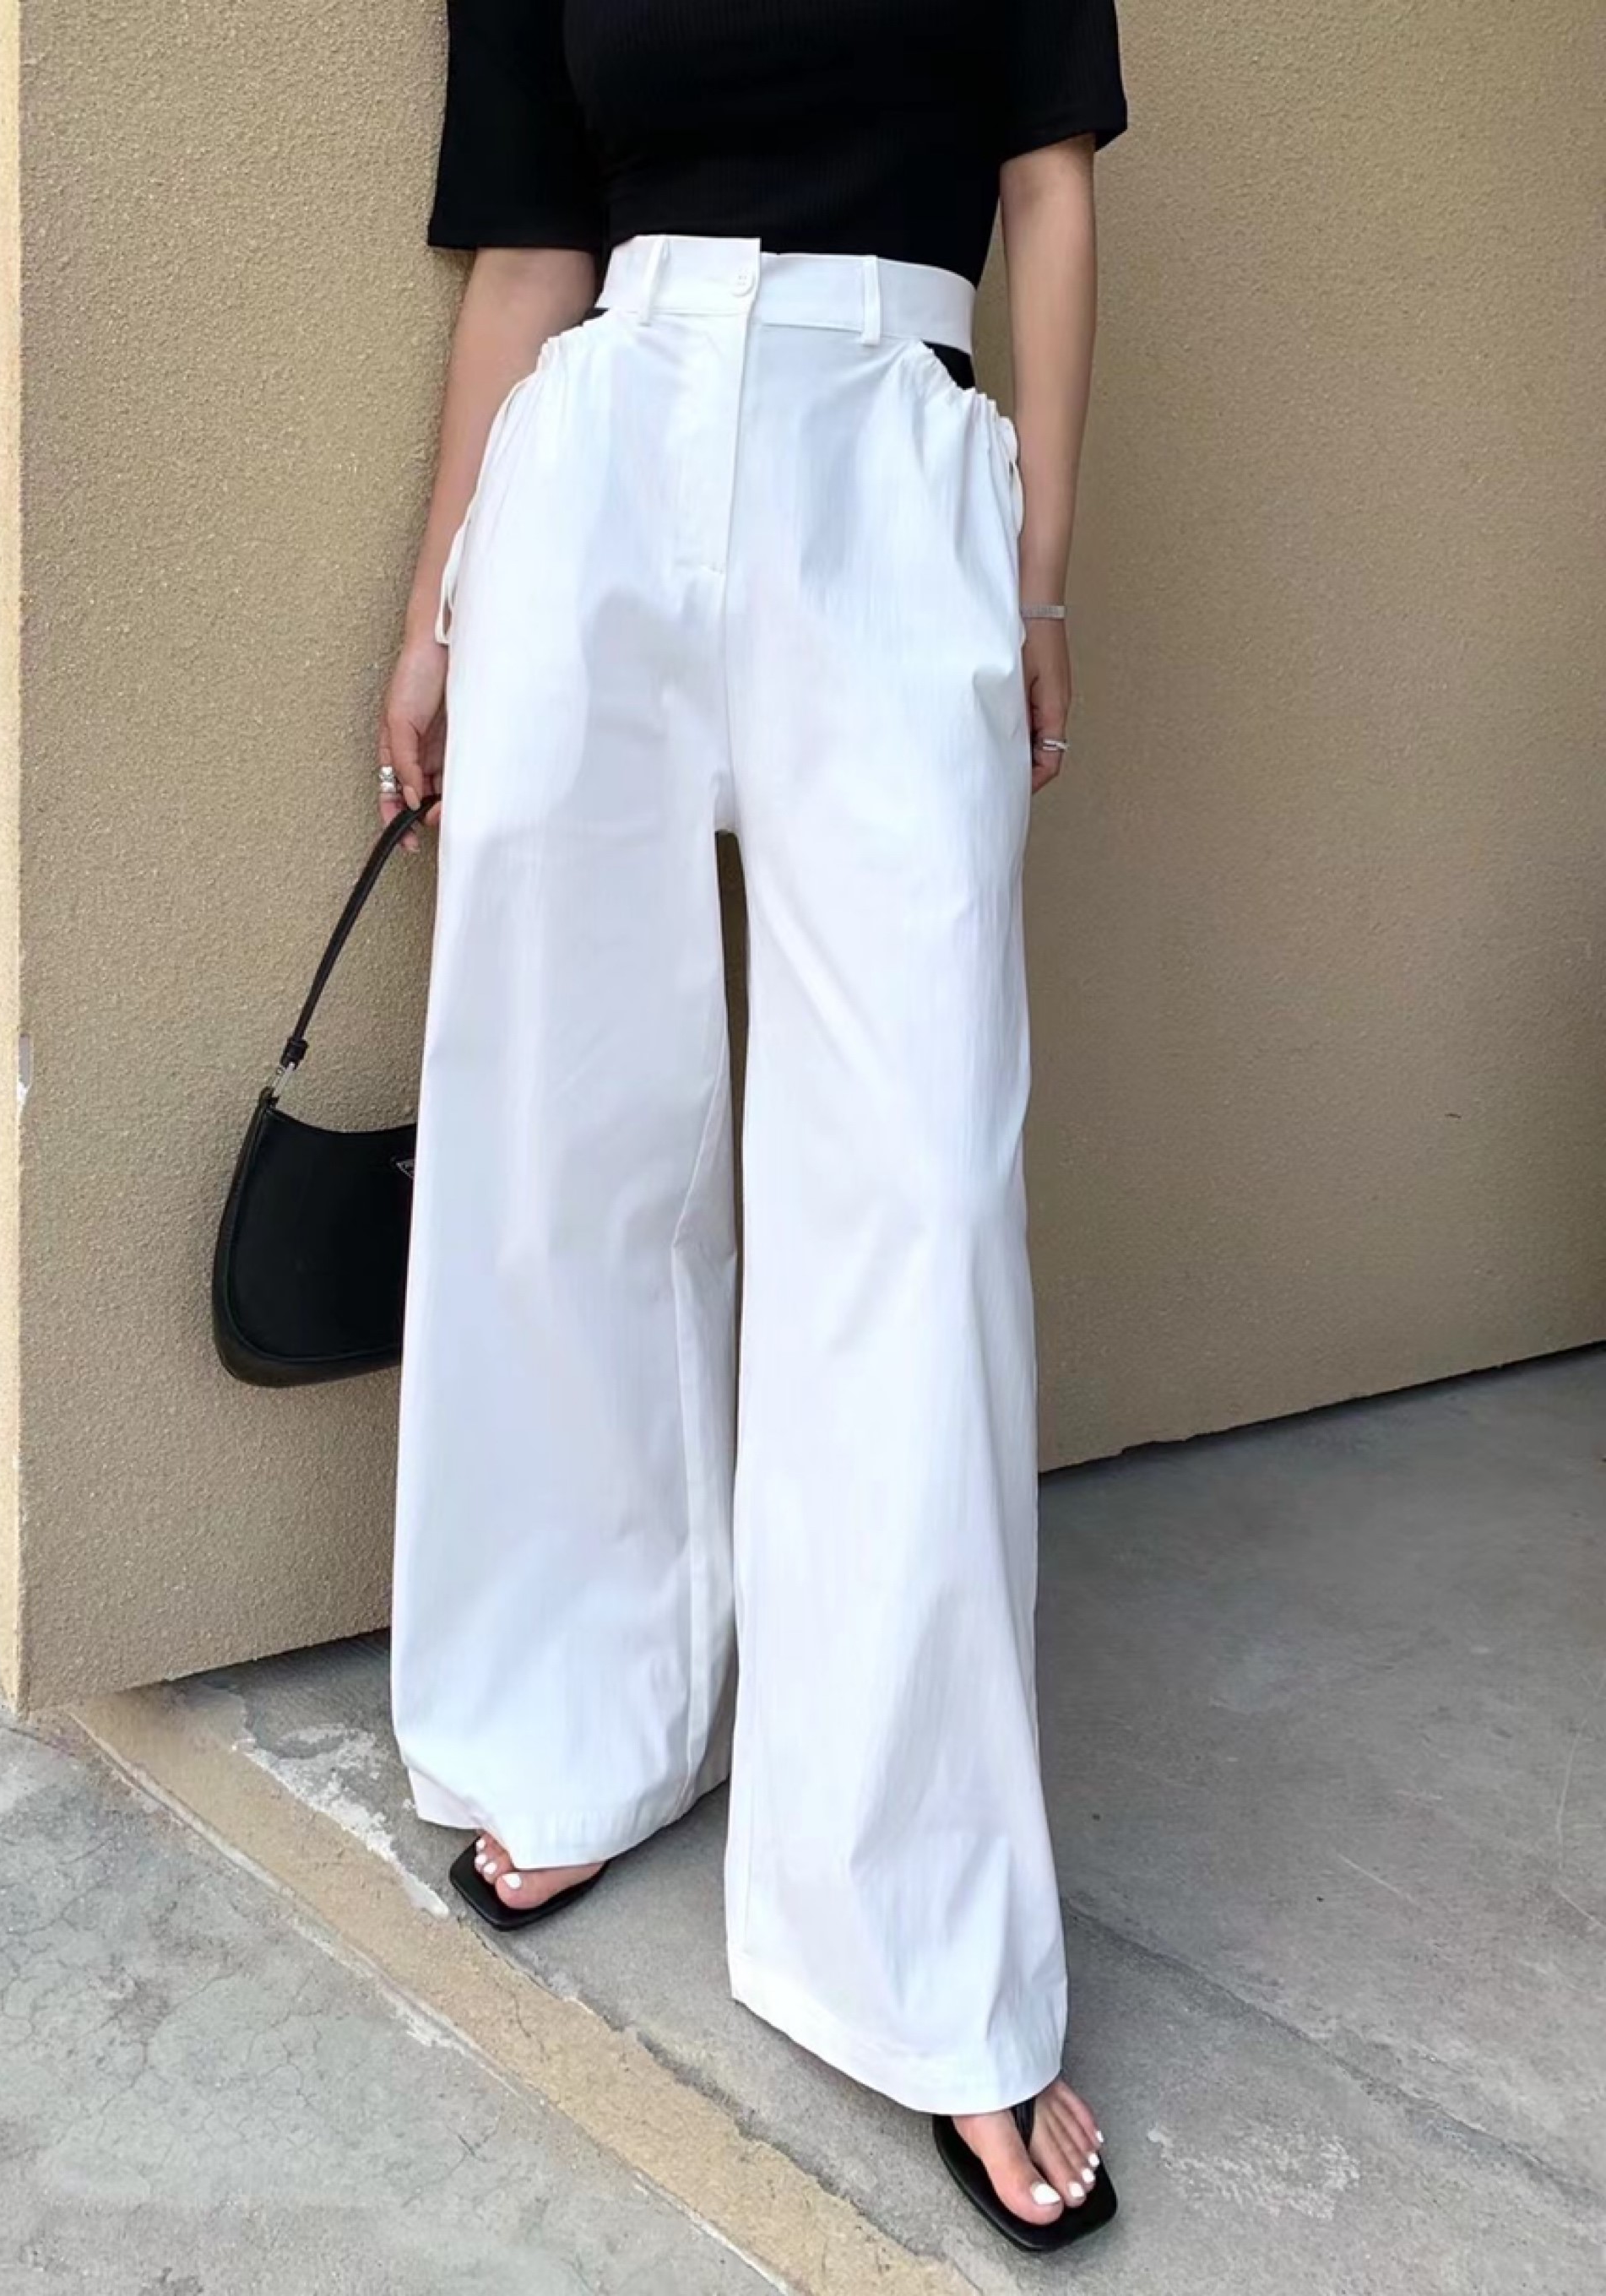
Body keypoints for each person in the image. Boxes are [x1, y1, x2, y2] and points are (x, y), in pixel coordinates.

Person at [377, 0, 1129, 2255]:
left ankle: (922, 1942)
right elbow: (529, 252)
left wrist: (1038, 564)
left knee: (915, 1191)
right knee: (561, 1146)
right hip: (596, 457)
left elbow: (1050, 183)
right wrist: (435, 607)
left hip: (883, 451)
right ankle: (576, 1722)